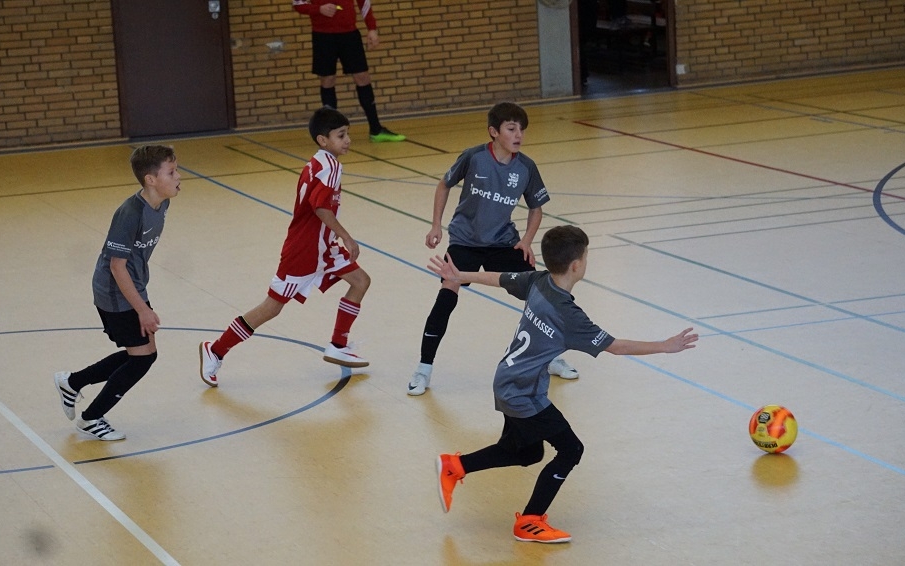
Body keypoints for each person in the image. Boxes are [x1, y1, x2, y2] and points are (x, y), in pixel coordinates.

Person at [431, 225, 698, 543]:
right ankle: (529, 521)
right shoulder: (568, 315)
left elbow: (501, 278)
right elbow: (616, 347)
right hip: (523, 391)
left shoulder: (538, 281)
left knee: (526, 453)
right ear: (576, 264)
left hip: (508, 379)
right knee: (571, 449)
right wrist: (664, 346)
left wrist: (461, 275)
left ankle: (454, 465)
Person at [408, 101, 579, 396]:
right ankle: (423, 368)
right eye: (511, 129)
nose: (518, 135)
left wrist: (526, 241)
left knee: (542, 294)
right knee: (447, 295)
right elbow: (444, 185)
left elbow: (536, 208)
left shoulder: (526, 167)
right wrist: (436, 225)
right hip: (465, 241)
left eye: (521, 130)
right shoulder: (473, 157)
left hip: (502, 242)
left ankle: (550, 357)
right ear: (494, 132)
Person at [198, 107, 371, 386]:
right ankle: (216, 350)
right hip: (304, 251)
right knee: (271, 308)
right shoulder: (330, 167)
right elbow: (320, 208)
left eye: (347, 134)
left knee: (360, 281)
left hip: (324, 247)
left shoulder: (319, 163)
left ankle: (338, 345)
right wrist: (347, 237)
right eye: (341, 135)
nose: (348, 140)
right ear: (323, 140)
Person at [52, 145, 181, 441]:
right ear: (151, 180)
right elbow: (116, 265)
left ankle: (72, 382)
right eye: (171, 172)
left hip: (132, 285)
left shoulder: (162, 203)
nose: (178, 177)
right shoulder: (130, 214)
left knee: (143, 354)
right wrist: (142, 309)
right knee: (142, 358)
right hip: (114, 291)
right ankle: (90, 418)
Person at [292, 0, 405, 143]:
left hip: (349, 34)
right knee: (327, 79)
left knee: (362, 77)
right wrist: (319, 9)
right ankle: (331, 133)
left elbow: (364, 2)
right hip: (322, 36)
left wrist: (371, 28)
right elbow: (298, 5)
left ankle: (376, 129)